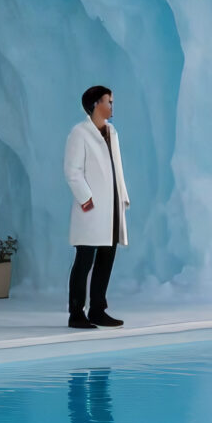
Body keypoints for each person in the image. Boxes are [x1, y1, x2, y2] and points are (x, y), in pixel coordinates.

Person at [63, 84, 130, 329]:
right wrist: (86, 200)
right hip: (91, 209)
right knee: (84, 261)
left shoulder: (112, 133)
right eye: (108, 101)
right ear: (95, 105)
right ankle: (76, 313)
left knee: (106, 259)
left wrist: (122, 196)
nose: (111, 106)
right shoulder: (79, 134)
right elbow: (72, 171)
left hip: (111, 209)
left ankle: (98, 310)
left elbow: (116, 170)